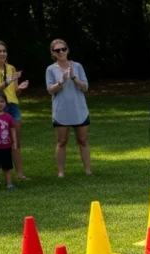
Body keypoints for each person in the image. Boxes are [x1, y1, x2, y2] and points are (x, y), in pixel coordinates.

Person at [0, 40, 29, 180]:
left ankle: (19, 174)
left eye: (4, 51)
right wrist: (9, 81)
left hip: (12, 106)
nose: (2, 54)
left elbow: (14, 91)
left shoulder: (11, 68)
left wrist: (20, 88)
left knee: (15, 141)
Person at [45, 38, 91, 177]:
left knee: (82, 140)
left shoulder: (77, 66)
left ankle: (88, 170)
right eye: (57, 50)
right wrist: (62, 81)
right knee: (62, 141)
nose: (61, 52)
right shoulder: (51, 69)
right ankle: (61, 172)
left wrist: (73, 77)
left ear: (67, 50)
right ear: (53, 53)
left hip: (79, 109)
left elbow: (85, 87)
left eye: (63, 49)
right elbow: (50, 90)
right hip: (61, 110)